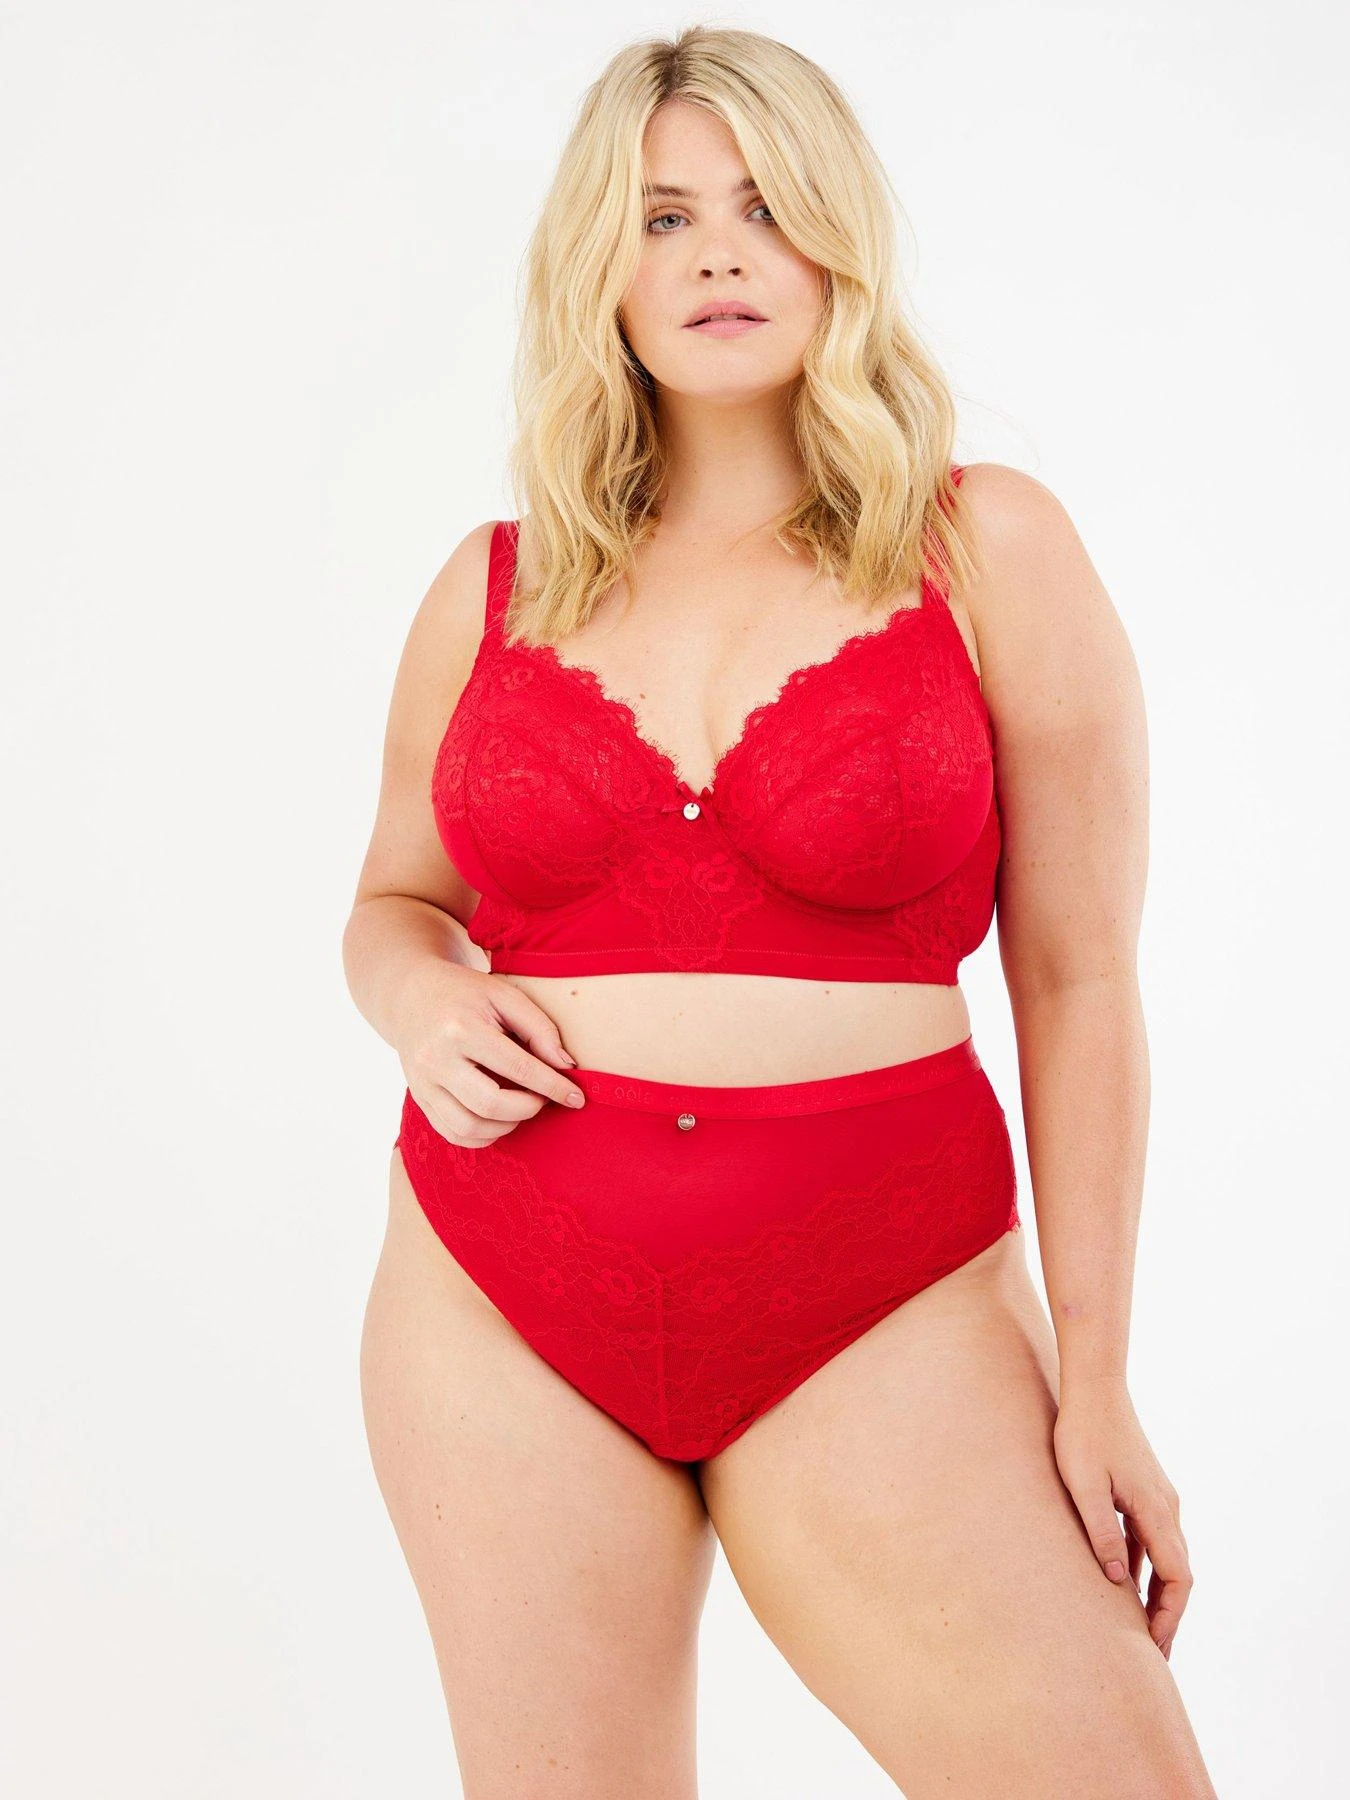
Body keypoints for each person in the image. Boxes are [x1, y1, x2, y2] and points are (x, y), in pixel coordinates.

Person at [343, 25, 1217, 1798]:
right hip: (503, 1285)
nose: (718, 255)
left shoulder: (988, 548)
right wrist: (421, 1001)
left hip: (883, 1285)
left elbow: (1077, 977)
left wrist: (1096, 1374)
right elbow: (393, 903)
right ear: (600, 265)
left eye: (765, 207)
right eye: (663, 217)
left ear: (838, 242)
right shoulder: (492, 585)